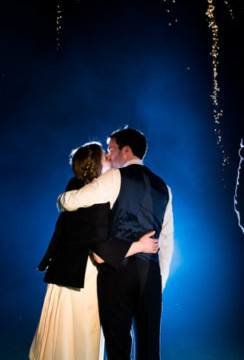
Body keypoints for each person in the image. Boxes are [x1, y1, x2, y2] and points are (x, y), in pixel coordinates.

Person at [30, 142, 160, 360]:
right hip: (82, 280)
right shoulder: (96, 201)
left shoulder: (76, 187)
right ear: (96, 167)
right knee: (78, 343)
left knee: (62, 342)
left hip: (65, 276)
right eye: (106, 157)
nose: (111, 157)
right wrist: (139, 246)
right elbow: (100, 251)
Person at [57, 127, 173, 360]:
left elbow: (72, 202)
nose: (109, 155)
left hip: (116, 271)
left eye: (111, 149)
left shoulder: (114, 177)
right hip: (150, 274)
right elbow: (166, 242)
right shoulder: (164, 187)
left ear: (126, 150)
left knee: (118, 346)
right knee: (150, 349)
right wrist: (158, 281)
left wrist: (62, 199)